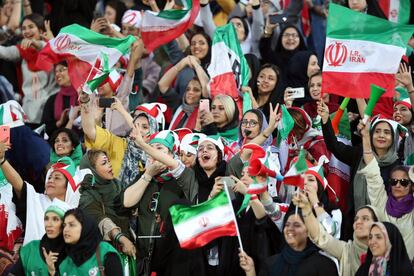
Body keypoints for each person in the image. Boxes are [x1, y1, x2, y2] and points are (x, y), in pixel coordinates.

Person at [0, 141, 81, 245]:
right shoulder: (36, 200)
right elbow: (19, 185)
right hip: (34, 257)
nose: (50, 180)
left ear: (68, 187)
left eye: (57, 178)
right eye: (50, 177)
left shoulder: (75, 214)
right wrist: (2, 160)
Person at [357, 119, 414, 259]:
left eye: (404, 182)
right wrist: (365, 137)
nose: (398, 185)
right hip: (382, 268)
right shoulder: (382, 202)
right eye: (394, 181)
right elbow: (372, 173)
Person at [292, 188, 381, 276]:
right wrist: (306, 209)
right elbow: (321, 237)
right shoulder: (346, 250)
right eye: (356, 219)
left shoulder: (388, 254)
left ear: (377, 224)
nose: (358, 222)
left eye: (365, 218)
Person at [0, 13, 59, 128]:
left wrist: (37, 44)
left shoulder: (53, 49)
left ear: (41, 30)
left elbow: (49, 48)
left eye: (31, 27)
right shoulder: (22, 51)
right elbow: (4, 52)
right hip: (28, 111)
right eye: (23, 28)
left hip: (49, 111)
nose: (26, 31)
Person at [239, 210, 338, 276]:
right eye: (287, 225)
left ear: (308, 231)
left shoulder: (324, 265)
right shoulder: (271, 263)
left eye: (297, 225)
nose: (290, 229)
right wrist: (250, 271)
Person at [78, 150, 136, 258]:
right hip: (105, 253)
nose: (110, 165)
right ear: (92, 170)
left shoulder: (117, 185)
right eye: (104, 163)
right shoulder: (88, 194)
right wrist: (121, 238)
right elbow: (101, 220)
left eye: (109, 161)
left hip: (129, 247)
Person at [7, 199, 70, 276]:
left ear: (64, 224)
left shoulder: (74, 253)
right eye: (46, 219)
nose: (49, 224)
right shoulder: (31, 248)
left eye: (55, 219)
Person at [57, 208, 123, 275]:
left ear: (85, 227)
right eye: (64, 225)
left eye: (71, 225)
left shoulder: (105, 252)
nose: (65, 229)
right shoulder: (64, 258)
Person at [157, 55, 209, 130]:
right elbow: (162, 85)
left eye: (196, 90)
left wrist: (196, 65)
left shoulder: (205, 110)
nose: (190, 92)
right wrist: (183, 62)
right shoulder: (178, 105)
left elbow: (206, 87)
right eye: (188, 89)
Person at [41, 61, 79, 138]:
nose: (57, 74)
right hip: (58, 143)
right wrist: (59, 122)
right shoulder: (52, 99)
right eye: (56, 71)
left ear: (72, 70)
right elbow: (44, 128)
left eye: (61, 70)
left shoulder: (82, 96)